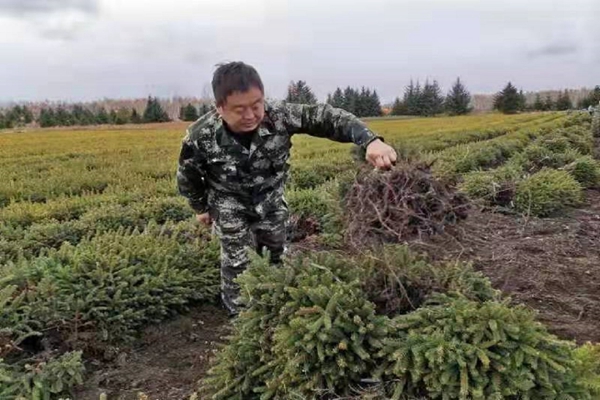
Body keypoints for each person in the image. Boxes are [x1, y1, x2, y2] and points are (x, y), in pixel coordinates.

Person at [177, 61, 397, 315]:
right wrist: (200, 207)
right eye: (239, 109)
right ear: (220, 108)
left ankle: (277, 309)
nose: (250, 115)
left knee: (275, 255)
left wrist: (370, 141)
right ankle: (241, 317)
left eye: (256, 105)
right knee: (237, 264)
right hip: (229, 205)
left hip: (270, 201)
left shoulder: (280, 115)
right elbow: (187, 176)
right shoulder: (201, 135)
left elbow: (328, 118)